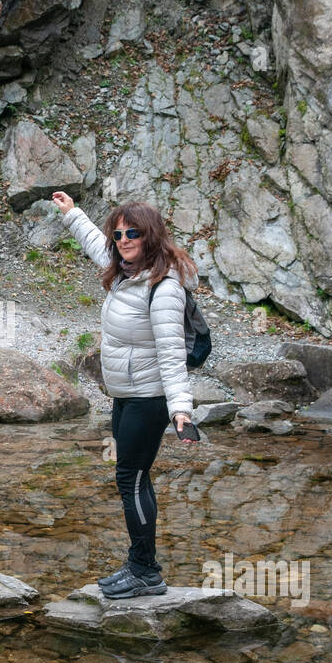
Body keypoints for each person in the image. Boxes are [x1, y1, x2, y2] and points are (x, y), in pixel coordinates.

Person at [50, 190, 197, 599]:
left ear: (151, 236)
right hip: (125, 395)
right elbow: (98, 246)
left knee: (129, 478)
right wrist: (73, 214)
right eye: (118, 234)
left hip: (149, 399)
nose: (123, 240)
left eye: (133, 233)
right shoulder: (122, 270)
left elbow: (172, 355)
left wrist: (180, 410)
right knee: (134, 478)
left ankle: (145, 571)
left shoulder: (164, 287)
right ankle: (141, 566)